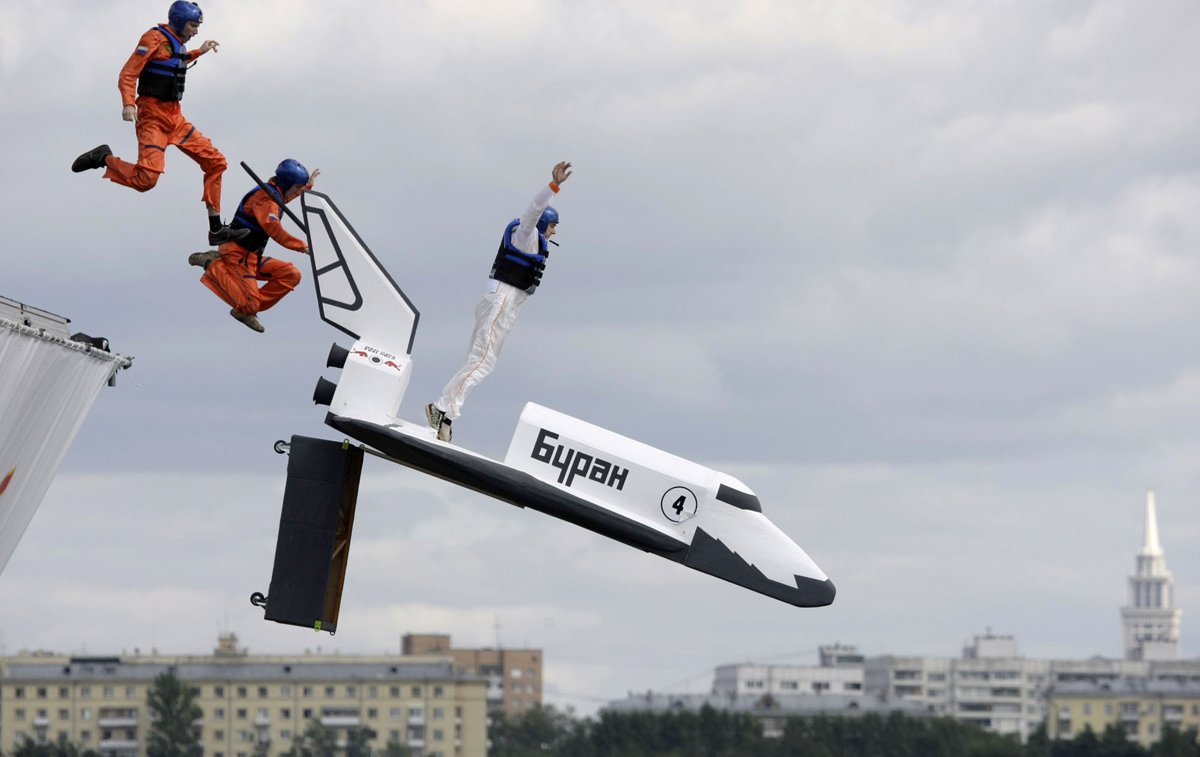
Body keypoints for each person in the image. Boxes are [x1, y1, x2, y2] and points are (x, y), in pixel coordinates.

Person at [71, 1, 246, 246]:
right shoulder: (153, 38)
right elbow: (128, 73)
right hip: (152, 117)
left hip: (175, 117)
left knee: (216, 162)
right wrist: (128, 104)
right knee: (146, 181)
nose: (196, 31)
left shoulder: (178, 42)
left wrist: (200, 51)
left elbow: (175, 59)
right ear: (179, 22)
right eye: (193, 26)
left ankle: (216, 229)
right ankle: (104, 158)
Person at [425, 161, 573, 442]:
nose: (554, 231)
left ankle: (446, 414)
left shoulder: (534, 241)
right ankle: (441, 409)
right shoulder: (526, 235)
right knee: (484, 361)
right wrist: (553, 186)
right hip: (501, 300)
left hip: (501, 301)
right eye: (553, 225)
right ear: (543, 224)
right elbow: (533, 210)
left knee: (477, 359)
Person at [187, 159, 318, 333]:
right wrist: (303, 247)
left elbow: (286, 197)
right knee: (251, 304)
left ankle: (246, 308)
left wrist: (306, 187)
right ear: (287, 184)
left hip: (251, 258)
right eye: (297, 188)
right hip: (236, 254)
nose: (298, 192)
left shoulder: (277, 194)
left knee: (291, 275)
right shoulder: (266, 200)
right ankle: (212, 263)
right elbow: (274, 229)